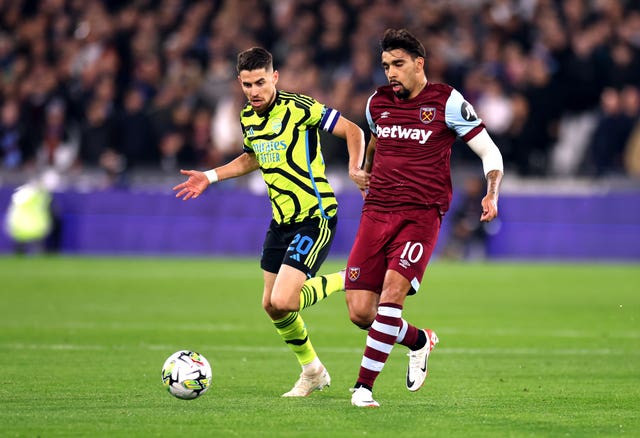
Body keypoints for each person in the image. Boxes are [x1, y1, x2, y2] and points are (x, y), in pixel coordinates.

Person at [173, 47, 367, 397]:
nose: (254, 91)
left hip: (315, 215)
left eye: (260, 82)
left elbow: (353, 130)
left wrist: (355, 168)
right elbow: (252, 158)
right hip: (281, 221)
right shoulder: (248, 118)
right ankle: (313, 371)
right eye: (247, 84)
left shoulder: (300, 108)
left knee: (286, 300)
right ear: (240, 83)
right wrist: (211, 176)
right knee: (271, 305)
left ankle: (349, 276)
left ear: (274, 77)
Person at [346, 29, 503, 407]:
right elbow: (376, 136)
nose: (391, 73)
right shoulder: (377, 102)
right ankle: (419, 340)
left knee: (391, 295)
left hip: (420, 216)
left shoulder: (446, 101)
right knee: (360, 312)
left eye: (398, 64)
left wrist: (491, 193)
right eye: (385, 66)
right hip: (376, 212)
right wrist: (363, 168)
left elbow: (490, 151)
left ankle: (363, 388)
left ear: (419, 63)